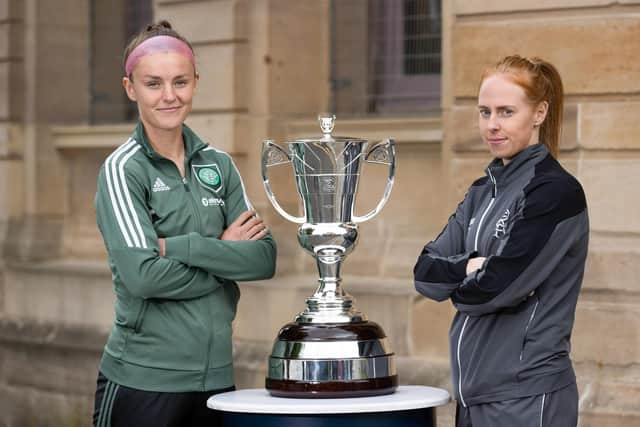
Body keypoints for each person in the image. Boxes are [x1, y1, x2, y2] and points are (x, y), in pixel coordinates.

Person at [92, 21, 277, 427]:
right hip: (142, 381)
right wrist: (223, 254)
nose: (169, 96)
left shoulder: (219, 164)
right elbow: (143, 277)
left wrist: (177, 246)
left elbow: (263, 259)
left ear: (196, 82)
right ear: (130, 88)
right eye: (153, 84)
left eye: (180, 82)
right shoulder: (123, 170)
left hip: (215, 381)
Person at [414, 55, 588, 427]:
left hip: (526, 398)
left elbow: (496, 288)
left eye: (506, 112)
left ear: (539, 113)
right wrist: (468, 267)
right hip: (474, 399)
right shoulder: (481, 192)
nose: (492, 125)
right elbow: (425, 274)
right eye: (484, 112)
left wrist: (459, 285)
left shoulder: (554, 193)